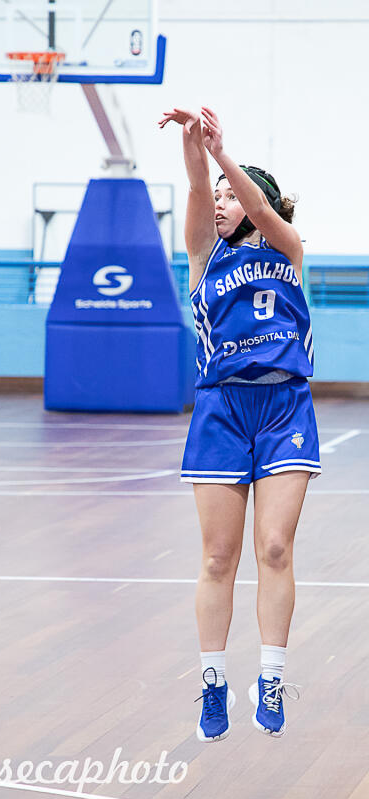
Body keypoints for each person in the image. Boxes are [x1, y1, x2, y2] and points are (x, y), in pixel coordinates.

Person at [158, 107, 318, 740]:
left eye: (233, 197)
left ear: (257, 206)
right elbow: (197, 187)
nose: (222, 203)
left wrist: (226, 155)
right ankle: (213, 683)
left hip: (284, 407)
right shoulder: (205, 254)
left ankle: (271, 677)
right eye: (221, 197)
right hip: (222, 410)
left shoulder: (288, 249)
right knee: (218, 556)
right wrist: (197, 145)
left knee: (274, 548)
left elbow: (255, 203)